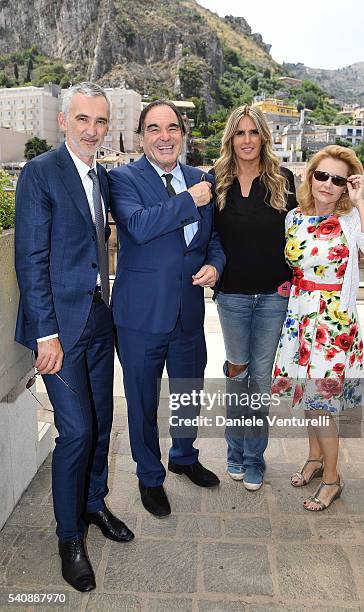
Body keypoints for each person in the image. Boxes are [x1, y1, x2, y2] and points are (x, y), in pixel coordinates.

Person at [14, 83, 133, 593]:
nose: (91, 130)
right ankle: (69, 538)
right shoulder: (41, 174)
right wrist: (46, 333)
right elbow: (31, 259)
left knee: (103, 424)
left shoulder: (101, 178)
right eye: (83, 120)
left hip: (97, 320)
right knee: (78, 432)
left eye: (100, 122)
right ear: (64, 122)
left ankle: (93, 502)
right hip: (57, 330)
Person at [109, 100, 225, 518]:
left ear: (183, 134)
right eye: (154, 129)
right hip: (140, 316)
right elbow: (138, 227)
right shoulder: (122, 179)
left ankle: (184, 455)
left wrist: (215, 264)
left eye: (172, 128)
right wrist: (189, 200)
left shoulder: (202, 178)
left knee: (189, 391)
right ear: (142, 137)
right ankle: (149, 476)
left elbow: (212, 238)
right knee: (142, 401)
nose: (164, 136)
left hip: (189, 312)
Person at [273, 144, 364, 510]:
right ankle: (314, 458)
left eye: (338, 179)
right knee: (309, 398)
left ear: (345, 186)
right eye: (322, 175)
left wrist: (362, 200)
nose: (327, 184)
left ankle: (333, 480)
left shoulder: (351, 218)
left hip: (333, 322)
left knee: (321, 402)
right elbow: (297, 266)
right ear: (310, 176)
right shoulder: (294, 216)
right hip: (300, 317)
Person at [213, 104, 297, 491]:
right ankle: (233, 451)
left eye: (253, 132)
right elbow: (207, 237)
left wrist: (294, 281)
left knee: (260, 381)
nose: (247, 140)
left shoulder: (285, 180)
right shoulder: (216, 181)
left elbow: (302, 237)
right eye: (240, 133)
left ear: (264, 136)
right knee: (237, 375)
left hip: (273, 297)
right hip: (231, 296)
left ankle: (253, 458)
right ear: (231, 138)